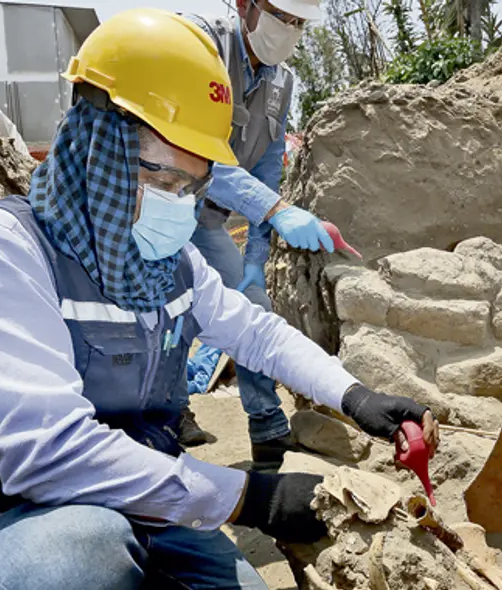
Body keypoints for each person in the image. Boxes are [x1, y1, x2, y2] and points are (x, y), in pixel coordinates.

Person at [0, 9, 438, 589]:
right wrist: (252, 498)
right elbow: (49, 453)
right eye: (160, 180)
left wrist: (356, 395)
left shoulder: (170, 265)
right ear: (96, 147)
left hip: (155, 503)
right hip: (22, 520)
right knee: (77, 558)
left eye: (192, 185)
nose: (177, 203)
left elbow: (254, 333)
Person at [175, 0, 330, 470]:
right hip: (151, 203)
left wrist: (254, 264)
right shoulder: (201, 46)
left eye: (300, 23)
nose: (290, 30)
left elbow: (265, 172)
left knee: (252, 311)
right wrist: (279, 210)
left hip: (204, 220)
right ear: (245, 4)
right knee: (159, 313)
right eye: (282, 16)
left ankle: (267, 430)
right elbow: (192, 149)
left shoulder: (281, 82)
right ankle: (165, 418)